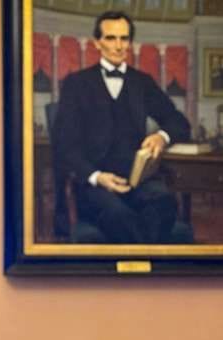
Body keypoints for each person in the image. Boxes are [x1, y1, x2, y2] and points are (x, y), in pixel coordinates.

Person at [52, 11, 191, 244]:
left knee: (164, 203)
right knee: (118, 216)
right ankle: (148, 263)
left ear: (130, 43)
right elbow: (64, 145)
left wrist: (161, 136)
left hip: (139, 183)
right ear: (97, 43)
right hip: (96, 185)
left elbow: (179, 122)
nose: (118, 46)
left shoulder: (142, 82)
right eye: (110, 38)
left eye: (124, 38)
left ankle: (137, 258)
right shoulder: (76, 84)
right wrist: (97, 177)